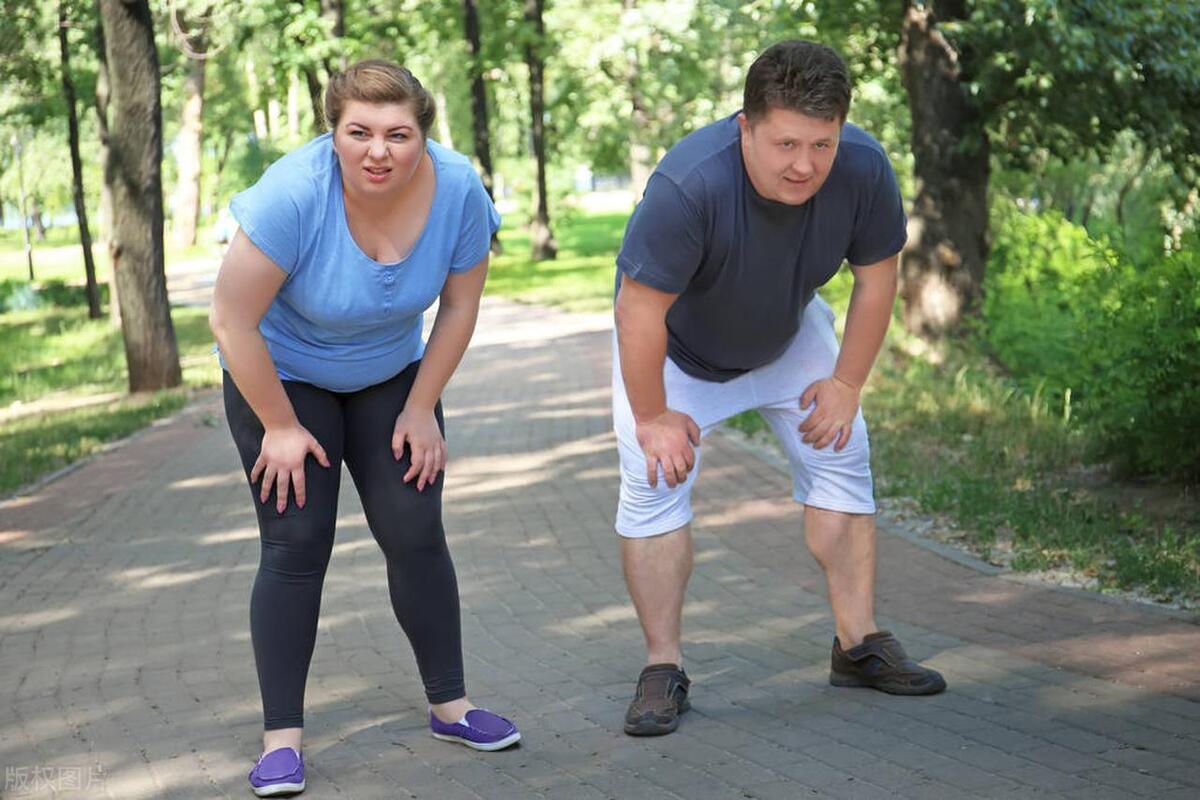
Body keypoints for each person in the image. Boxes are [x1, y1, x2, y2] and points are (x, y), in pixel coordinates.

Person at [613, 40, 946, 737]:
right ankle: (662, 667)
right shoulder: (689, 185)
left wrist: (848, 382)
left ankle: (857, 644)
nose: (804, 165)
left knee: (843, 452)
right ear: (746, 126)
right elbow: (637, 311)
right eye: (786, 143)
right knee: (654, 482)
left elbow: (878, 277)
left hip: (788, 336)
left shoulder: (863, 168)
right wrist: (653, 416)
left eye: (822, 144)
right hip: (675, 354)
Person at [209, 60, 520, 797]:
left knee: (415, 531)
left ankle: (451, 705)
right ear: (334, 132)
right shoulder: (294, 194)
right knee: (296, 543)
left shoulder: (459, 191)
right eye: (359, 132)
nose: (378, 150)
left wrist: (422, 405)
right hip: (282, 380)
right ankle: (281, 741)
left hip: (390, 378)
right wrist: (278, 427)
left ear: (423, 137)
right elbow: (230, 319)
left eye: (397, 134)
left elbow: (460, 307)